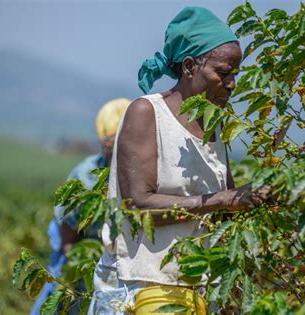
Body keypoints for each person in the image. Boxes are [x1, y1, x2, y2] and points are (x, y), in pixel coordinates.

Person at [88, 7, 271, 314]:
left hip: (196, 286)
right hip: (143, 284)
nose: (232, 84)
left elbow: (223, 211)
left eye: (235, 74)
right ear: (189, 66)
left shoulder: (214, 125)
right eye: (224, 73)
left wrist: (263, 198)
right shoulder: (147, 113)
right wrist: (223, 199)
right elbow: (137, 206)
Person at [31, 98, 131, 315]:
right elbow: (68, 234)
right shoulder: (86, 176)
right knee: (59, 294)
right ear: (103, 144)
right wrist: (85, 265)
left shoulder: (143, 175)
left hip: (122, 263)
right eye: (110, 144)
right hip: (81, 252)